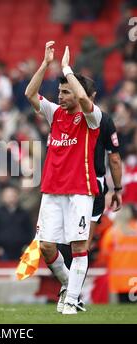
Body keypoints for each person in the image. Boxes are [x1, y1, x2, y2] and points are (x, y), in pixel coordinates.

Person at [25, 41, 102, 315]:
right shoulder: (55, 114)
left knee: (79, 246)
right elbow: (30, 93)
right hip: (52, 192)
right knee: (46, 247)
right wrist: (46, 65)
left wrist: (68, 69)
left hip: (80, 191)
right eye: (59, 91)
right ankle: (72, 288)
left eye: (65, 92)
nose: (60, 96)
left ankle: (70, 301)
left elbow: (83, 100)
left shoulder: (92, 118)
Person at [58, 111, 123, 272]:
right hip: (92, 186)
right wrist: (117, 189)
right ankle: (73, 292)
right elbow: (114, 159)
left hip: (66, 185)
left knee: (64, 242)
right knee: (82, 245)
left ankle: (69, 289)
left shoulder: (60, 116)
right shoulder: (104, 119)